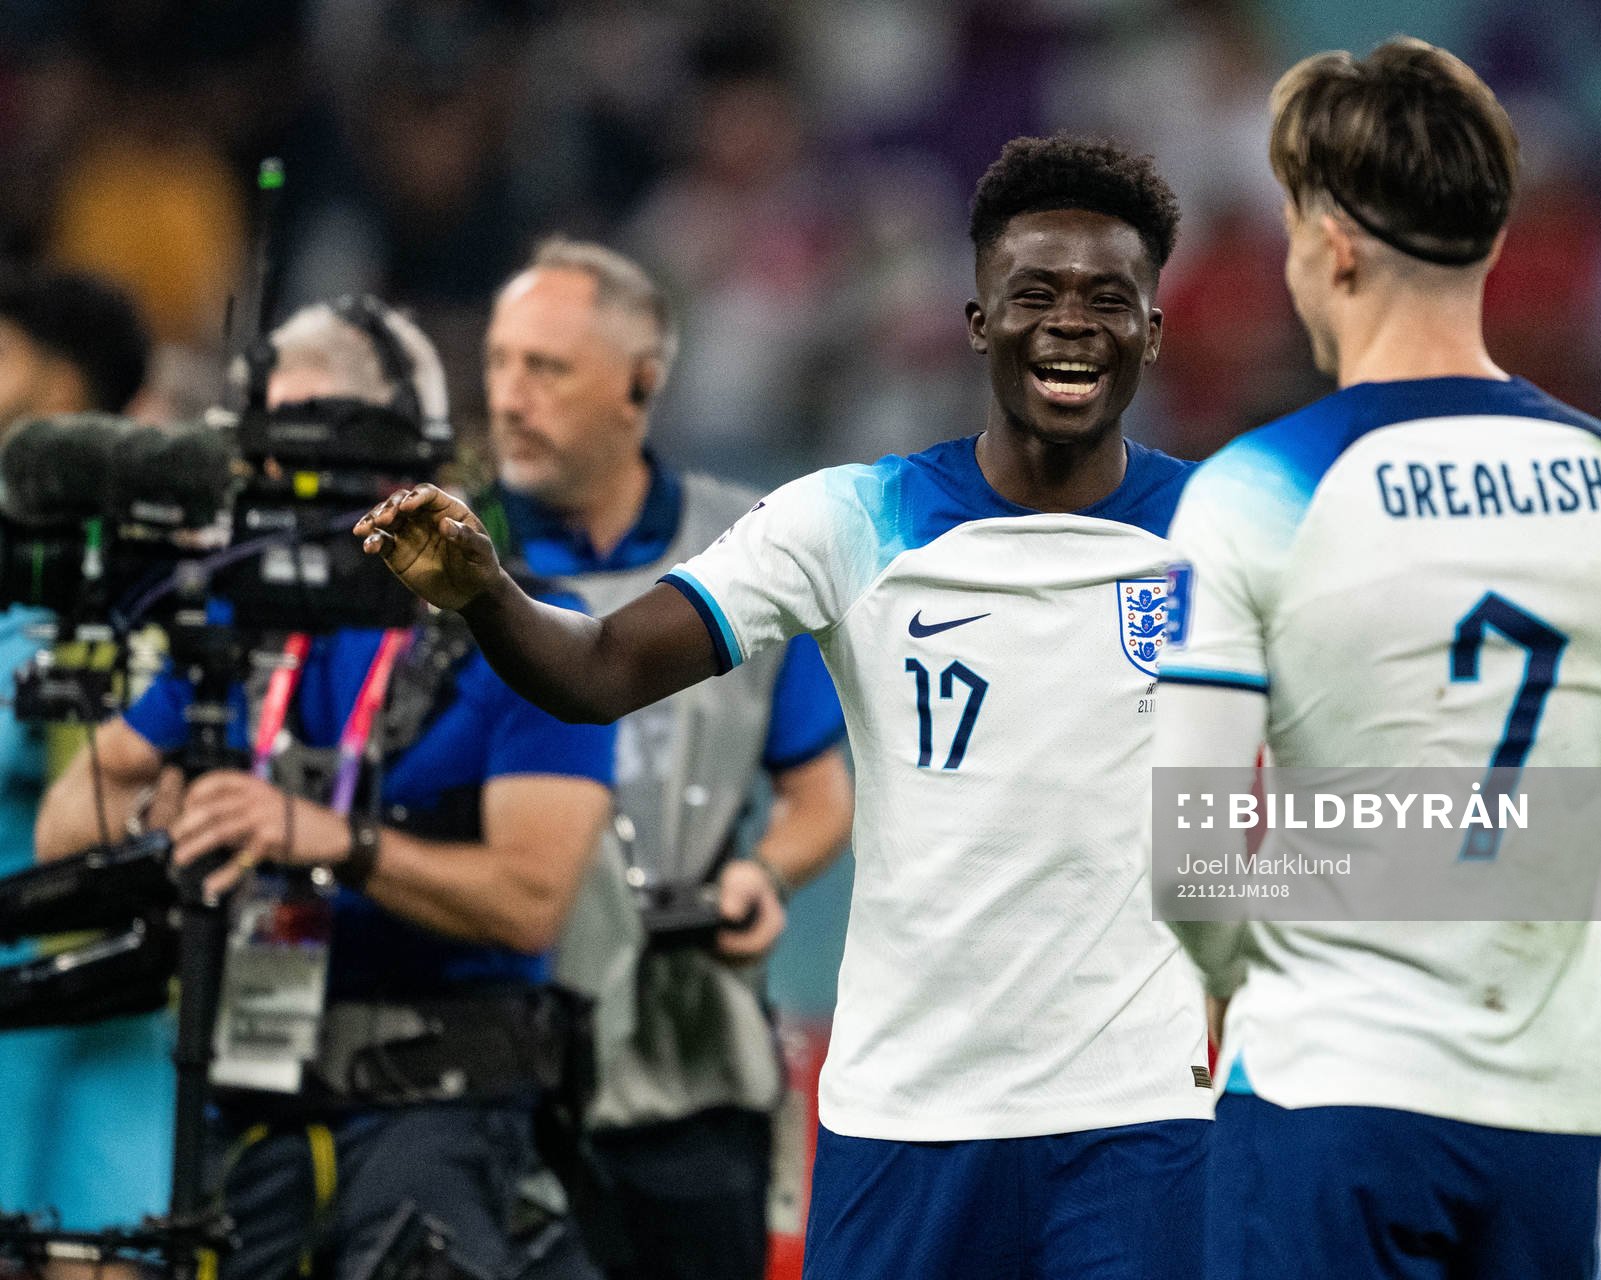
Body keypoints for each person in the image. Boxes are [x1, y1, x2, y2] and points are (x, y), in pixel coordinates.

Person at [359, 135, 1212, 1279]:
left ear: (1152, 330)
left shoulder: (1225, 529)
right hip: (908, 1115)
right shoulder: (848, 518)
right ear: (975, 320)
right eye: (1035, 294)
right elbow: (603, 664)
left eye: (1109, 299)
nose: (1070, 321)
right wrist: (487, 594)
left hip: (1138, 1119)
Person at [1150, 39, 1601, 1278]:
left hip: (1323, 1091)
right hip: (1544, 1112)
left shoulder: (1252, 491)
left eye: (1296, 226)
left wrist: (1274, 965)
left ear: (1336, 242)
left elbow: (1194, 861)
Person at [36, 297, 615, 1280]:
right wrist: (161, 813)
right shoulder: (240, 614)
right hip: (248, 1094)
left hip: (445, 1101)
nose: (279, 470)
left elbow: (530, 900)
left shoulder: (524, 627)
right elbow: (64, 827)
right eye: (264, 436)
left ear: (405, 447)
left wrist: (334, 838)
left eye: (315, 433)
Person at [473, 236, 851, 1280]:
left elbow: (820, 796)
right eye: (500, 361)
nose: (509, 396)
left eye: (545, 367)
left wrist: (762, 873)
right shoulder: (451, 553)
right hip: (488, 1066)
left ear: (641, 381)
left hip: (690, 1063)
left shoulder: (743, 549)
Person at [0, 264, 158, 1235]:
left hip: (124, 984)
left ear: (58, 386)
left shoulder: (157, 552)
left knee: (105, 1250)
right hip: (23, 965)